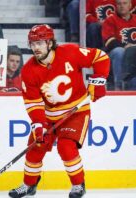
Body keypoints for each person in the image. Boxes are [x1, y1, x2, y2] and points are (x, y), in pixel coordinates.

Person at [8, 24, 110, 198]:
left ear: (50, 43)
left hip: (76, 111)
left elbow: (101, 57)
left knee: (66, 146)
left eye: (40, 43)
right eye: (32, 44)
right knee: (35, 147)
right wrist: (38, 124)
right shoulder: (28, 70)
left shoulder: (70, 52)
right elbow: (33, 102)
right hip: (48, 116)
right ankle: (29, 184)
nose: (35, 48)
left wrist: (99, 79)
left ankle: (78, 185)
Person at [102, 0, 136, 90]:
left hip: (133, 55)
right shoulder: (110, 19)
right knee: (119, 51)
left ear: (130, 5)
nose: (122, 6)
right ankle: (119, 86)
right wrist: (125, 47)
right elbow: (109, 41)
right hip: (115, 54)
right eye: (119, 4)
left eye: (124, 3)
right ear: (116, 5)